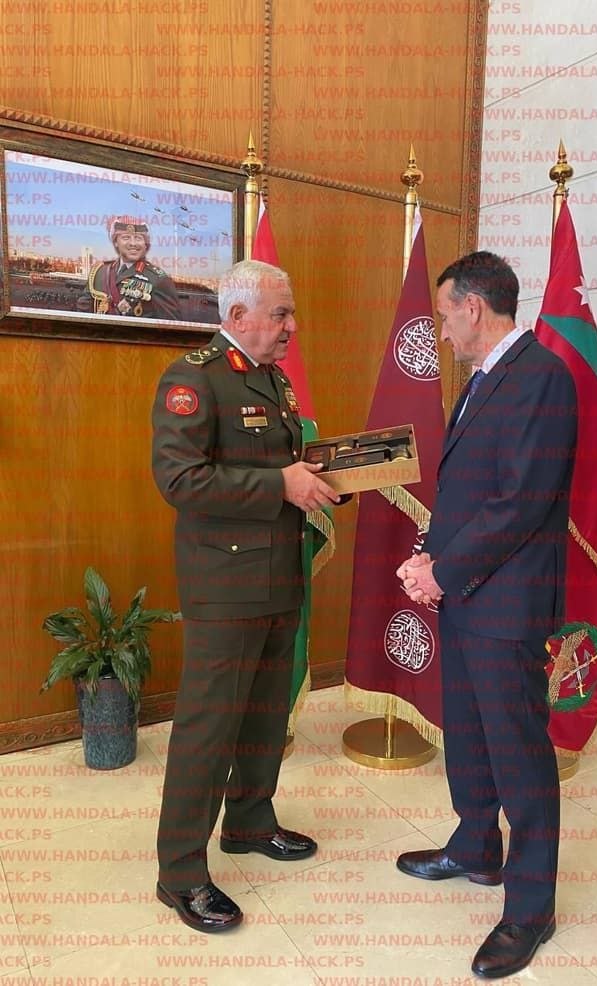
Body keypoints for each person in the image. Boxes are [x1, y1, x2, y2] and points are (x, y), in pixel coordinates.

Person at [395, 251, 577, 979]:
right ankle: (476, 845)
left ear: (473, 307)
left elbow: (521, 503)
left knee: (518, 753)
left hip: (507, 604)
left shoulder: (542, 377)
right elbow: (468, 493)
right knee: (467, 732)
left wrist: (443, 571)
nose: (441, 331)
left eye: (445, 315)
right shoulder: (480, 381)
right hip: (467, 593)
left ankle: (531, 908)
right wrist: (428, 557)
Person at [151, 259, 340, 933]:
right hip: (226, 585)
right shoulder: (193, 378)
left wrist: (321, 476)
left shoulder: (273, 379)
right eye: (281, 313)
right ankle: (180, 873)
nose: (292, 326)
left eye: (290, 313)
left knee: (264, 715)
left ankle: (250, 822)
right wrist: (280, 485)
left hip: (279, 575)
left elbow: (275, 464)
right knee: (208, 729)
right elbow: (180, 480)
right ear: (237, 316)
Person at [77, 216, 181, 320]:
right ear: (116, 242)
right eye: (126, 238)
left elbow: (170, 326)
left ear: (145, 244)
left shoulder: (158, 279)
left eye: (138, 238)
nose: (133, 243)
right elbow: (83, 311)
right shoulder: (100, 272)